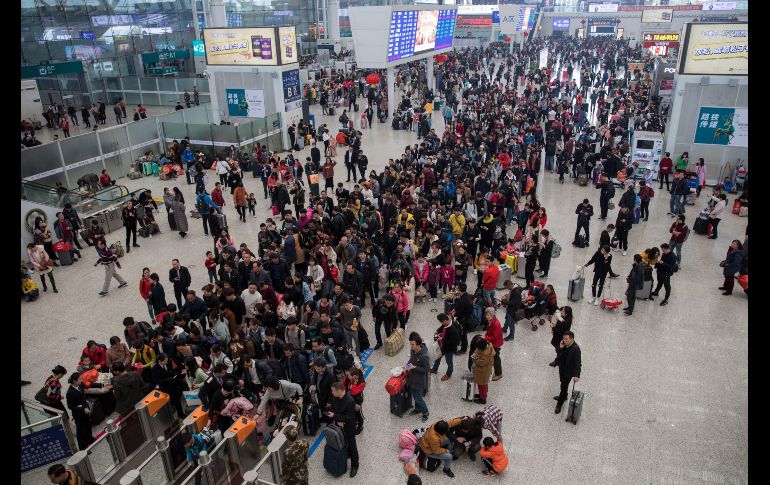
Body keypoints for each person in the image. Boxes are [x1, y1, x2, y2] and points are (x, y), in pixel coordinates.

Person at [327, 381, 359, 477]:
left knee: (352, 445)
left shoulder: (350, 401)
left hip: (349, 427)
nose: (332, 393)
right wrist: (336, 418)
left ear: (338, 391)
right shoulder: (335, 397)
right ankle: (346, 453)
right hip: (338, 424)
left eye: (333, 391)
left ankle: (355, 465)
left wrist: (336, 416)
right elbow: (333, 408)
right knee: (342, 442)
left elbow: (349, 417)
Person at [554, 331, 581, 415]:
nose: (564, 340)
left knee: (563, 386)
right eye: (563, 338)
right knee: (562, 383)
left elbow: (578, 363)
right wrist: (560, 347)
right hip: (562, 368)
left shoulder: (576, 349)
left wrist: (577, 375)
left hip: (568, 372)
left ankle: (559, 404)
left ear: (572, 339)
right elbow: (558, 352)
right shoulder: (564, 344)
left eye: (566, 339)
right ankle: (564, 396)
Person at [66, 372, 95, 450]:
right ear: (74, 381)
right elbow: (70, 406)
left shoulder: (80, 385)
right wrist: (82, 409)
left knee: (88, 426)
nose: (81, 380)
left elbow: (83, 397)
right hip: (79, 414)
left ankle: (90, 439)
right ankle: (83, 447)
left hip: (85, 410)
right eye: (79, 379)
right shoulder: (70, 393)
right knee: (81, 431)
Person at [406, 332, 430, 422]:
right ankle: (417, 409)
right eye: (410, 344)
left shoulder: (424, 356)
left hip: (419, 382)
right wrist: (406, 367)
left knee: (418, 398)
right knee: (414, 396)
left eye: (412, 344)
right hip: (412, 379)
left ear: (418, 345)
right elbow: (411, 360)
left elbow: (427, 369)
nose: (411, 346)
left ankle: (425, 412)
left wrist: (415, 367)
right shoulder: (412, 351)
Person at [430, 313, 461, 381]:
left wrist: (442, 339)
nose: (441, 323)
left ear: (445, 321)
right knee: (438, 357)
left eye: (441, 322)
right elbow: (442, 327)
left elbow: (453, 342)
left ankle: (448, 374)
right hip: (443, 345)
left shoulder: (453, 330)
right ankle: (434, 369)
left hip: (449, 349)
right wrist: (437, 331)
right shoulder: (446, 323)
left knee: (449, 362)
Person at [471, 338, 495, 405]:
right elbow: (477, 351)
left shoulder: (485, 355)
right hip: (486, 370)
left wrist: (475, 359)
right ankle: (482, 395)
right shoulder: (488, 345)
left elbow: (480, 363)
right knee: (484, 383)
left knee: (482, 385)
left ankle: (483, 399)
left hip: (483, 371)